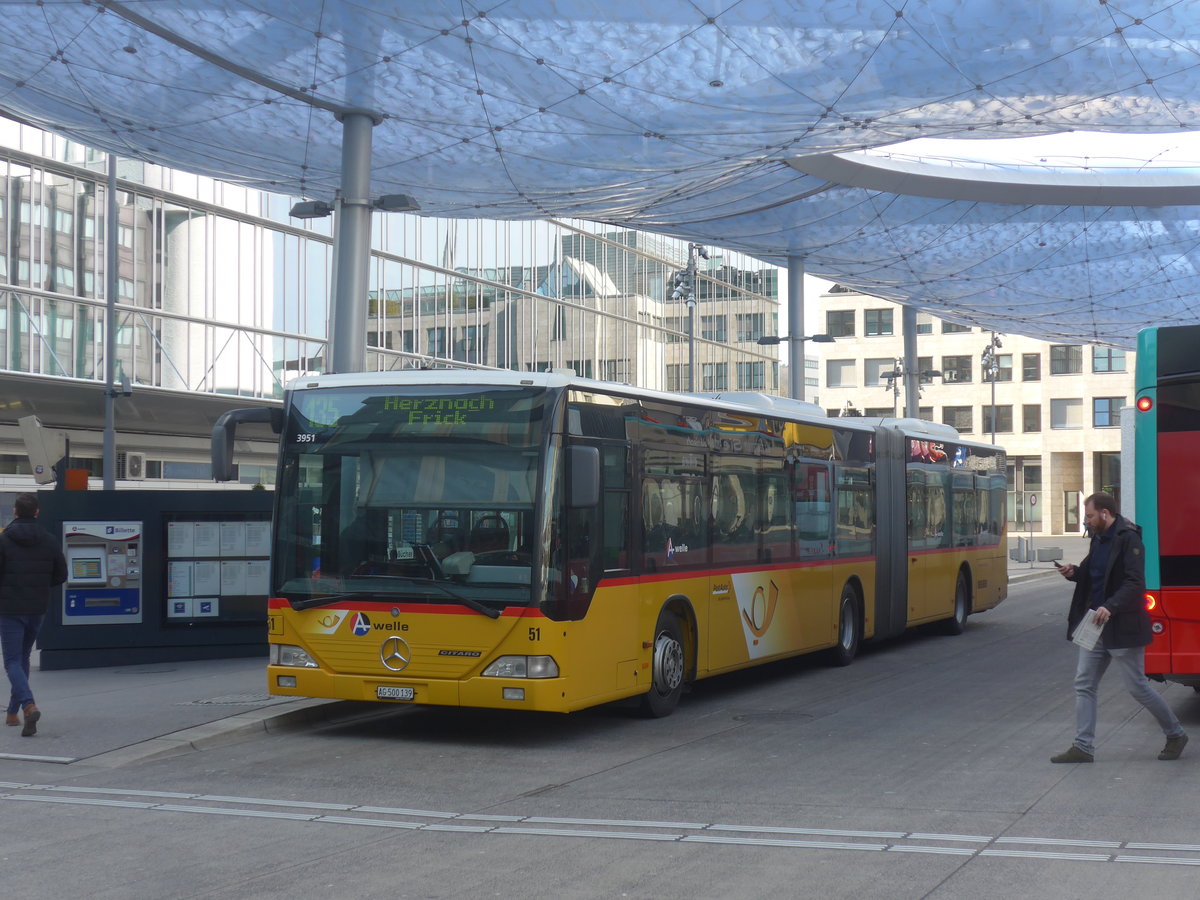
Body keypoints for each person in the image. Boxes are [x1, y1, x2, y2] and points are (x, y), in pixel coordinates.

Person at [1051, 492, 1188, 763]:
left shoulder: (1129, 539)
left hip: (1122, 624)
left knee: (1137, 687)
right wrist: (1073, 572)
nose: (1086, 521)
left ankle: (1175, 734)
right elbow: (1092, 575)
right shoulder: (1098, 539)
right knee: (1084, 684)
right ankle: (1083, 747)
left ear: (1105, 513)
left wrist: (1110, 606)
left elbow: (1135, 583)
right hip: (1095, 624)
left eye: (1089, 516)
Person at [0, 493, 67, 737]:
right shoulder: (49, 540)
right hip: (37, 607)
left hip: (9, 609)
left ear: (15, 512)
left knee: (12, 661)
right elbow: (61, 575)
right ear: (37, 512)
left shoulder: (4, 540)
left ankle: (28, 705)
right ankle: (11, 713)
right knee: (23, 657)